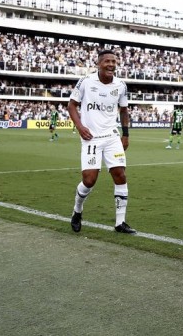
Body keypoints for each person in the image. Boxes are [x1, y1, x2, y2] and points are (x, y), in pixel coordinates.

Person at [68, 49, 136, 235]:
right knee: (89, 180)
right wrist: (80, 127)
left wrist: (126, 134)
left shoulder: (121, 85)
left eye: (114, 61)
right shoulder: (86, 82)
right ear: (99, 64)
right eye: (107, 61)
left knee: (120, 174)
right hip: (91, 137)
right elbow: (71, 105)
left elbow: (123, 110)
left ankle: (120, 222)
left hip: (112, 137)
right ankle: (77, 211)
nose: (111, 64)